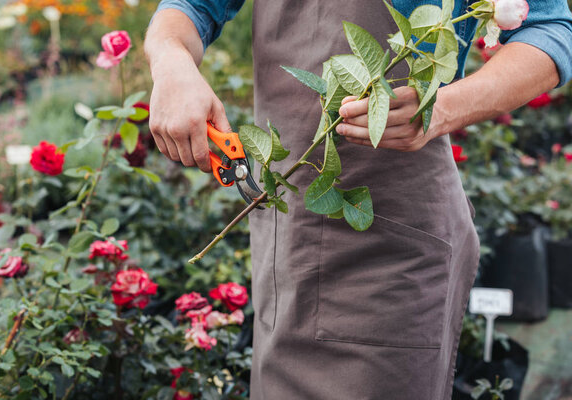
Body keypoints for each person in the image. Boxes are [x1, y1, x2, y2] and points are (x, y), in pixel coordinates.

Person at [145, 1, 572, 399]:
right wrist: (171, 62)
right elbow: (191, 8)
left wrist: (439, 108)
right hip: (287, 239)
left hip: (390, 253)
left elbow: (551, 32)